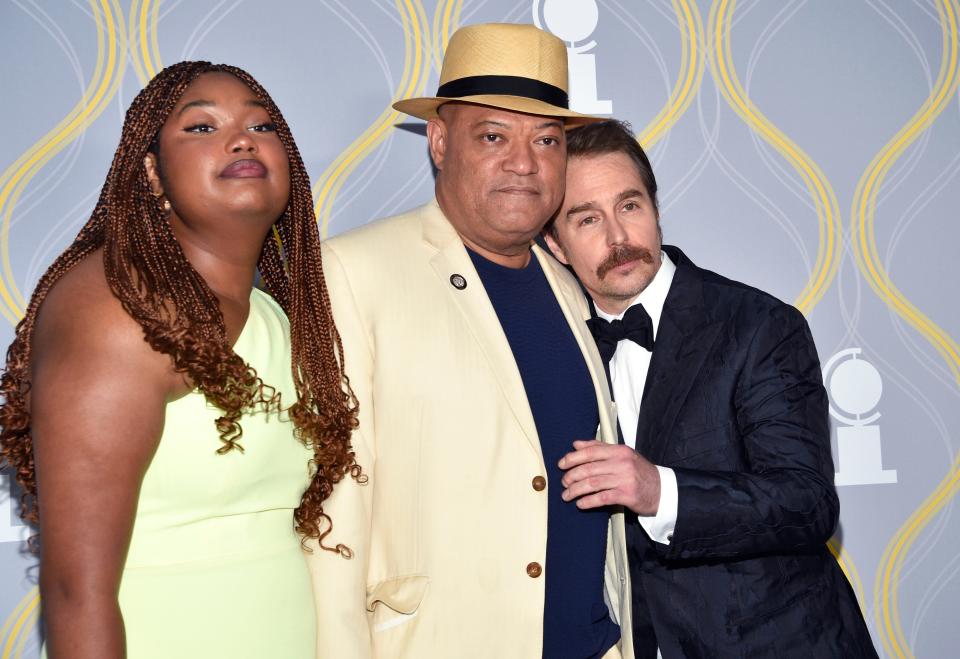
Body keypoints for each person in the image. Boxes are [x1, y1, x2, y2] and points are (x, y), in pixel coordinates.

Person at [0, 61, 361, 658]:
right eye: (200, 127)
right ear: (150, 171)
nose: (242, 138)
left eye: (263, 125)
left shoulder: (279, 316)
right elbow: (75, 593)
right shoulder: (118, 306)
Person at [308, 23, 634, 659]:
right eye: (493, 136)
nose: (524, 162)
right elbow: (330, 505)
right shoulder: (353, 271)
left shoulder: (571, 287)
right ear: (438, 140)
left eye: (546, 140)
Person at [543, 119, 878, 658]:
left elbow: (806, 502)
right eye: (587, 219)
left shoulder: (758, 325)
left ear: (655, 207)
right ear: (556, 245)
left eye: (629, 206)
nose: (618, 238)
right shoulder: (550, 346)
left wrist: (661, 492)